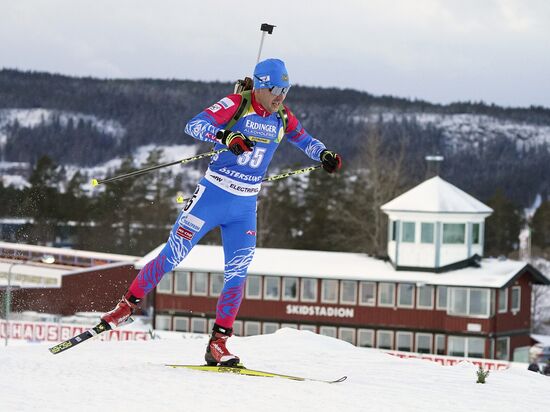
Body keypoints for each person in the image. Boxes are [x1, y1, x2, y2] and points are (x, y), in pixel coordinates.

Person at [101, 58, 342, 366]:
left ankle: (218, 343)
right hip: (212, 197)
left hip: (245, 207)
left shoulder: (281, 116)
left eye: (286, 89)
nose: (280, 95)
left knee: (237, 273)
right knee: (172, 255)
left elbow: (304, 139)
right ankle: (124, 308)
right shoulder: (236, 103)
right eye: (275, 89)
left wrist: (323, 153)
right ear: (260, 85)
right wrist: (225, 136)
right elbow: (195, 125)